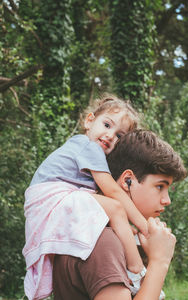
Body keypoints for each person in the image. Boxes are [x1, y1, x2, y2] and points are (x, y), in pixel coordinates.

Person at [22, 95, 149, 300]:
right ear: (89, 121)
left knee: (110, 215)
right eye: (106, 124)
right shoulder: (87, 146)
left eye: (119, 136)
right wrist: (144, 226)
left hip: (46, 200)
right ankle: (137, 271)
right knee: (115, 208)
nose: (109, 135)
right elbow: (113, 192)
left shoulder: (84, 149)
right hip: (51, 195)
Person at [53, 129, 187, 300]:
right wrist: (160, 262)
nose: (167, 200)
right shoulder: (102, 241)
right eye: (160, 186)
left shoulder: (102, 232)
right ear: (127, 181)